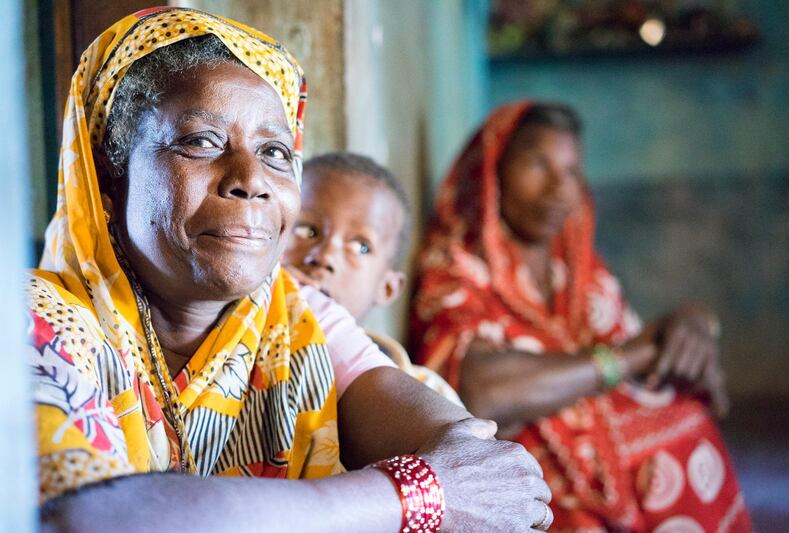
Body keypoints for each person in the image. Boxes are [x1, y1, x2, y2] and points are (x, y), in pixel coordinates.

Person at [27, 9, 552, 532]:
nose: (250, 179)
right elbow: (84, 516)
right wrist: (410, 494)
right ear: (107, 182)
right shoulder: (34, 324)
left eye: (276, 152)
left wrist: (450, 472)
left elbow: (472, 464)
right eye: (201, 141)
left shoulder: (297, 317)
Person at [410, 101, 751, 532]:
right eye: (538, 163)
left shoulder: (571, 265)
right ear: (491, 171)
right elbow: (479, 392)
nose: (559, 189)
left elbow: (637, 341)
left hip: (604, 463)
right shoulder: (459, 266)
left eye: (572, 171)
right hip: (528, 472)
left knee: (686, 416)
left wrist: (695, 322)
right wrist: (630, 356)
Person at [283, 153, 462, 405]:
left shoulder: (425, 398)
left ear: (387, 288)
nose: (324, 257)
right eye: (306, 230)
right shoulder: (234, 344)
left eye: (360, 247)